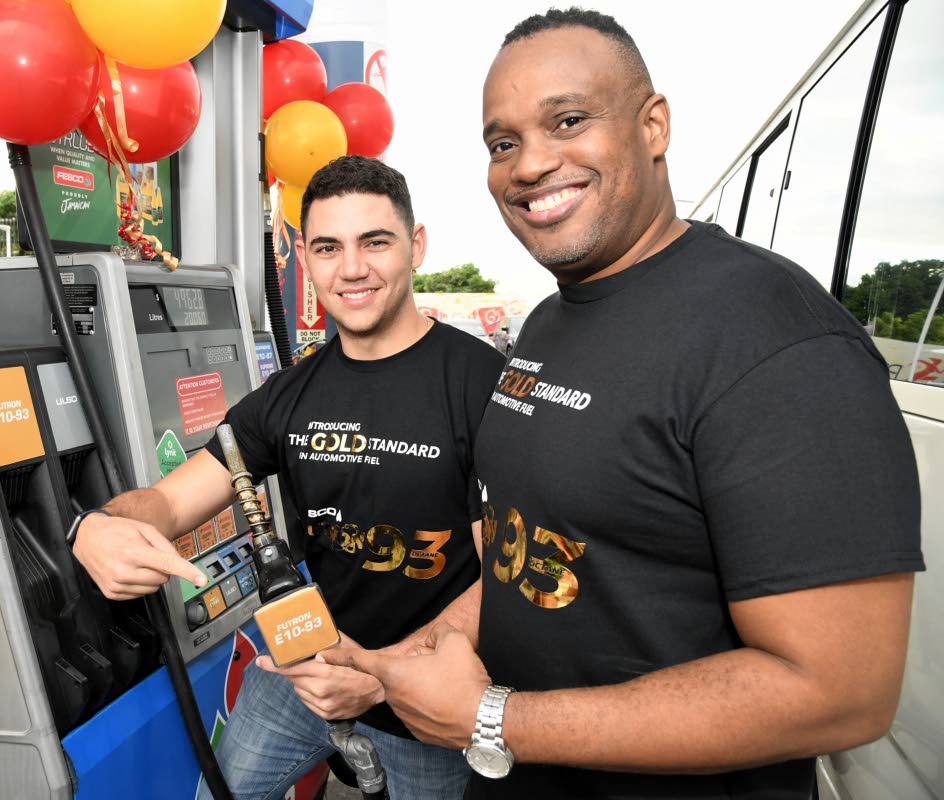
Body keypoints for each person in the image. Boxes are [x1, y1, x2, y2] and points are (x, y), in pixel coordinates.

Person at [322, 9, 924, 800]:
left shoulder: (775, 339)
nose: (530, 164)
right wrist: (422, 652)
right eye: (502, 143)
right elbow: (535, 549)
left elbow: (839, 691)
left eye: (567, 121)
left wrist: (497, 721)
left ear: (653, 125)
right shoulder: (550, 318)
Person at [71, 156, 506, 799]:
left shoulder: (481, 385)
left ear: (415, 246)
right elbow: (167, 500)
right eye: (329, 247)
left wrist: (385, 673)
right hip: (306, 669)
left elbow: (505, 577)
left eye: (375, 242)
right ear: (305, 256)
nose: (351, 269)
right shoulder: (289, 396)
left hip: (432, 691)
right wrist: (96, 526)